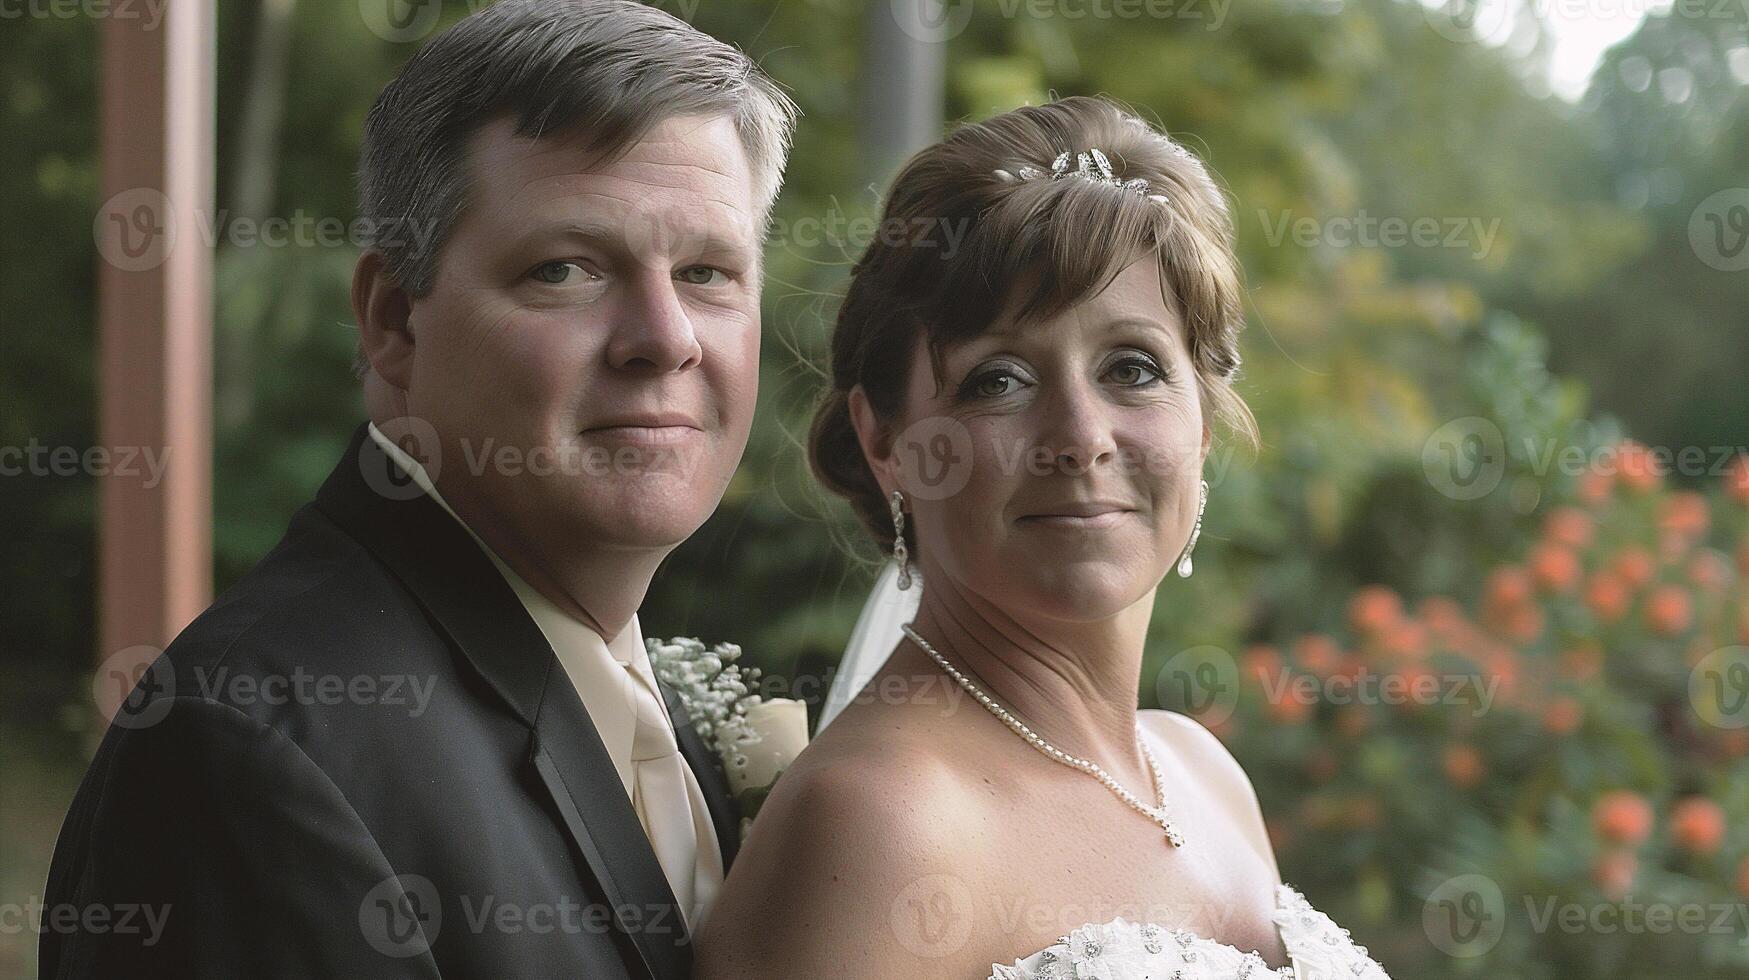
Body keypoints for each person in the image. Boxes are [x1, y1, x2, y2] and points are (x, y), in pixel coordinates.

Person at [40, 2, 794, 977]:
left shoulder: (640, 700)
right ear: (395, 321)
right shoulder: (253, 756)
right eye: (565, 268)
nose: (666, 335)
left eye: (707, 271)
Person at [695, 96, 1391, 979]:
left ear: (1203, 423)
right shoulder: (879, 822)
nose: (1080, 434)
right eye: (999, 379)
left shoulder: (1205, 776)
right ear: (887, 443)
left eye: (1131, 369)